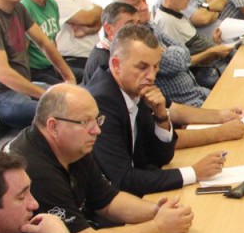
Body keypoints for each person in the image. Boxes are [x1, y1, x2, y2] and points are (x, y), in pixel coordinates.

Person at [7, 85, 195, 233]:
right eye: (85, 122)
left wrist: (157, 212)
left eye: (97, 120)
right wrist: (159, 228)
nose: (97, 130)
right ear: (53, 126)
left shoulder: (71, 147)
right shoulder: (34, 171)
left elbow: (108, 200)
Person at [86, 24, 233, 195]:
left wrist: (161, 117)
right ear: (116, 65)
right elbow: (123, 180)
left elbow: (161, 158)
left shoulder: (137, 89)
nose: (151, 76)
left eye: (155, 66)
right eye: (142, 67)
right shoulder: (101, 102)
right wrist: (193, 172)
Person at [0, 0, 75, 128]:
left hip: (26, 85)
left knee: (75, 97)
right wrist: (44, 95)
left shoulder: (18, 9)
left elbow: (45, 42)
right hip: (3, 95)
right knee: (59, 112)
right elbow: (2, 73)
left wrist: (69, 78)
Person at [152, 0, 234, 88]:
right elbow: (183, 62)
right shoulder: (167, 22)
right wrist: (211, 52)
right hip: (204, 72)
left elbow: (194, 45)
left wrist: (214, 42)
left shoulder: (177, 11)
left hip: (213, 60)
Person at [20, 0, 64, 85]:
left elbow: (53, 40)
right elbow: (22, 52)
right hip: (36, 72)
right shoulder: (24, 8)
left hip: (53, 66)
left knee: (90, 77)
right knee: (71, 92)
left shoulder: (52, 4)